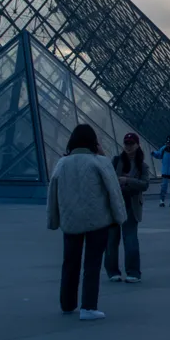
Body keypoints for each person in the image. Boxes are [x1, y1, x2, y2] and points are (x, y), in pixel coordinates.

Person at [47, 124, 127, 321]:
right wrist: (119, 217)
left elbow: (52, 195)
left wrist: (53, 220)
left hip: (70, 221)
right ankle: (88, 307)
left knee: (69, 263)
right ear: (94, 142)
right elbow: (113, 192)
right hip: (96, 221)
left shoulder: (62, 163)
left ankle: (67, 304)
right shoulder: (99, 162)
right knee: (92, 264)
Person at [105, 133, 150, 284]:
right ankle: (113, 271)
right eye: (126, 143)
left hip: (131, 204)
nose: (128, 146)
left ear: (137, 145)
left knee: (130, 239)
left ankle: (133, 272)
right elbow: (108, 179)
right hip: (115, 204)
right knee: (112, 240)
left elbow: (145, 184)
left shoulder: (142, 165)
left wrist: (127, 180)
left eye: (131, 143)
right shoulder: (116, 161)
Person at [152, 136, 170, 207]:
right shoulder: (164, 148)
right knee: (164, 186)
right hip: (165, 171)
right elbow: (159, 154)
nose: (168, 144)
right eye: (167, 143)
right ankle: (162, 200)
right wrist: (154, 153)